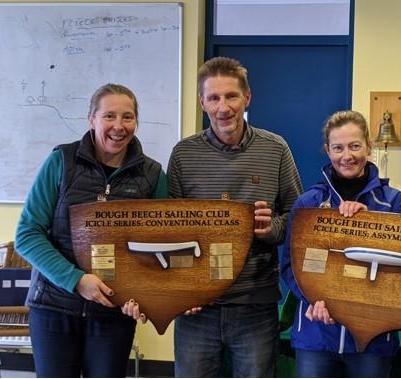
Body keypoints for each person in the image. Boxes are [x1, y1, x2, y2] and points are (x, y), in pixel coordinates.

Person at [15, 83, 168, 378]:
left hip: (113, 314)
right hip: (53, 308)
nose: (119, 126)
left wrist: (145, 297)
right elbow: (27, 233)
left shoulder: (152, 175)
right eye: (109, 116)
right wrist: (76, 280)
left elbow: (160, 246)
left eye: (127, 117)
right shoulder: (60, 161)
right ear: (91, 119)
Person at [167, 56, 302, 377]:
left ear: (247, 98)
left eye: (231, 96)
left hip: (255, 303)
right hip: (196, 305)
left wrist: (271, 229)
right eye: (213, 98)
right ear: (202, 102)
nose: (223, 107)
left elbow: (298, 220)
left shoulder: (276, 149)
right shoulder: (183, 154)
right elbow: (168, 232)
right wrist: (178, 292)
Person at [281, 110, 401, 378]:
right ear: (327, 151)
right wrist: (315, 299)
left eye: (355, 146)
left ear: (369, 147)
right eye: (338, 148)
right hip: (316, 333)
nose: (347, 156)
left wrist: (368, 227)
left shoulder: (395, 204)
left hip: (373, 339)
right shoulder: (308, 205)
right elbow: (290, 265)